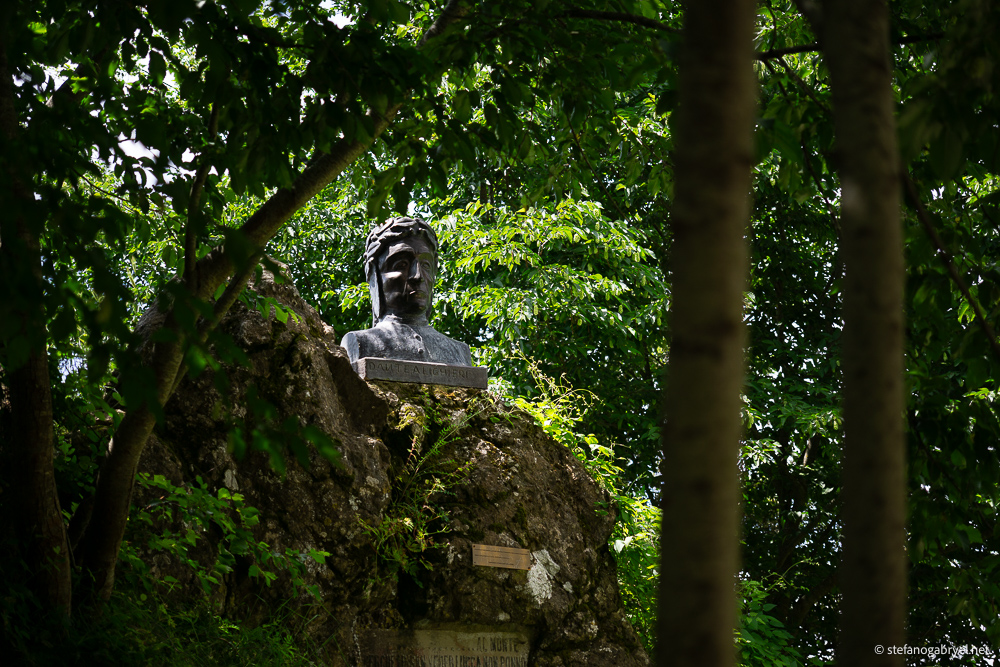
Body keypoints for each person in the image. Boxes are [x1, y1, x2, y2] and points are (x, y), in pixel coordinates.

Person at [340, 217, 472, 367]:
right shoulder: (361, 343)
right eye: (402, 265)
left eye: (426, 265)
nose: (418, 276)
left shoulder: (459, 352)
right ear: (374, 275)